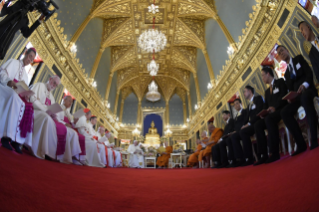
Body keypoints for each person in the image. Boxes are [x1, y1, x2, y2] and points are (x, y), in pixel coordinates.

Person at [277, 45, 318, 153]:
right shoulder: (286, 74)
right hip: (297, 98)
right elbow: (290, 89)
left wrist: (304, 85)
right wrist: (290, 98)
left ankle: (314, 139)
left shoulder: (299, 59)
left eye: (282, 51)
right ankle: (301, 144)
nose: (281, 53)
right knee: (284, 112)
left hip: (308, 90)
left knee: (305, 97)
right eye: (279, 53)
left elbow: (309, 74)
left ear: (287, 50)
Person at [0, 48, 36, 153]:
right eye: (30, 57)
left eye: (32, 59)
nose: (30, 60)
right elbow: (2, 73)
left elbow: (23, 88)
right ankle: (5, 136)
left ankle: (17, 140)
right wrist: (10, 81)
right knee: (14, 97)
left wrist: (26, 95)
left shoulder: (25, 75)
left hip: (15, 95)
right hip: (4, 87)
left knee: (28, 107)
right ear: (25, 54)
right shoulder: (13, 62)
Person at [25, 75, 67, 160]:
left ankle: (47, 152)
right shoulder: (39, 85)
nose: (54, 86)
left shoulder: (52, 97)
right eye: (54, 83)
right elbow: (32, 99)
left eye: (56, 85)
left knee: (52, 122)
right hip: (35, 111)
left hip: (44, 114)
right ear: (50, 79)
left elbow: (52, 109)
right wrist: (45, 109)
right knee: (47, 118)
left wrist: (54, 114)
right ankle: (36, 148)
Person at [254, 67, 288, 165]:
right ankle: (263, 155)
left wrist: (275, 107)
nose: (262, 78)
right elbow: (265, 106)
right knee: (258, 125)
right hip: (269, 114)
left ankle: (274, 153)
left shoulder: (280, 82)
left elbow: (283, 95)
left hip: (280, 110)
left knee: (269, 119)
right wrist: (263, 113)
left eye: (262, 75)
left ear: (268, 74)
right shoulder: (266, 92)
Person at [232, 85, 264, 166]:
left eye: (245, 91)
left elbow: (259, 112)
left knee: (251, 127)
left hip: (258, 122)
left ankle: (261, 155)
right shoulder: (249, 105)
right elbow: (247, 119)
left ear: (250, 91)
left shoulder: (258, 98)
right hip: (251, 125)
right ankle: (248, 158)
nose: (244, 93)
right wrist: (245, 125)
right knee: (242, 132)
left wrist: (248, 124)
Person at [56, 95, 85, 164]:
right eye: (69, 101)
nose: (70, 103)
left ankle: (74, 156)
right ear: (64, 100)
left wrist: (74, 122)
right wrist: (65, 123)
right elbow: (56, 118)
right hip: (61, 125)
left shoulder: (68, 113)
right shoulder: (59, 107)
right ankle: (70, 156)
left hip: (67, 127)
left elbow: (71, 124)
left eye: (71, 102)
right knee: (73, 133)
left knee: (75, 134)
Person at [226, 99, 247, 168]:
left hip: (244, 129)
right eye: (234, 104)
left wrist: (236, 130)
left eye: (237, 103)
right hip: (237, 131)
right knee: (229, 139)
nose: (236, 105)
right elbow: (235, 126)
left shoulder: (245, 111)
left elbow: (245, 122)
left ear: (241, 103)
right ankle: (234, 160)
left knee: (233, 137)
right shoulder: (235, 116)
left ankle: (242, 158)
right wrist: (233, 131)